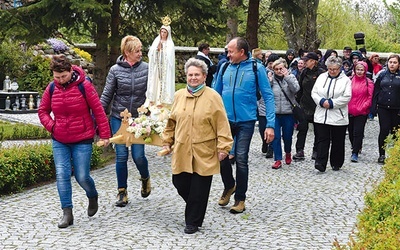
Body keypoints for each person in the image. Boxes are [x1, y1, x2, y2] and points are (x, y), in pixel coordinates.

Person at [38, 55, 111, 228]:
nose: (60, 80)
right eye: (57, 77)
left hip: (82, 138)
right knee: (62, 174)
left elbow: (98, 110)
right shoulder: (52, 88)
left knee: (82, 176)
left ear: (71, 71)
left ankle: (92, 195)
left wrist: (105, 134)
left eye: (63, 76)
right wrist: (53, 127)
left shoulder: (84, 86)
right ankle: (67, 213)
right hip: (60, 139)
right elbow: (42, 111)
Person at [162, 58, 233, 234]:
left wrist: (224, 147)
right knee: (179, 181)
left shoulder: (213, 97)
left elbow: (222, 123)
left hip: (204, 151)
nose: (193, 78)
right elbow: (171, 122)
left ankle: (192, 222)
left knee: (199, 188)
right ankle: (196, 206)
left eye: (197, 75)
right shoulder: (179, 95)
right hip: (182, 149)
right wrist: (167, 140)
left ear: (204, 76)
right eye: (190, 75)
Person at [214, 37, 275, 213]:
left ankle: (240, 198)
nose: (228, 54)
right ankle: (229, 185)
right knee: (221, 155)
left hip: (246, 121)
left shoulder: (257, 68)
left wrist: (270, 124)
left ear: (242, 52)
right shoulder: (224, 67)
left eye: (231, 51)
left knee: (241, 158)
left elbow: (268, 96)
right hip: (225, 120)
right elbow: (215, 94)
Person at [100, 35, 151, 207]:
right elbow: (107, 95)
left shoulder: (147, 69)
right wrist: (98, 117)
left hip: (139, 118)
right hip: (119, 117)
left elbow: (152, 94)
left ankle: (145, 178)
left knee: (138, 156)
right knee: (121, 155)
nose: (140, 53)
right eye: (137, 51)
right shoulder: (115, 70)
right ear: (127, 52)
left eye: (140, 50)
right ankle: (122, 192)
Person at [312, 56, 351, 172]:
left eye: (334, 69)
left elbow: (347, 97)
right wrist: (321, 101)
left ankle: (336, 162)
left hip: (338, 115)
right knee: (322, 139)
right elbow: (314, 92)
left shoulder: (346, 80)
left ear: (339, 68)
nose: (332, 71)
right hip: (321, 114)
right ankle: (320, 162)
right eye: (330, 69)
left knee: (337, 140)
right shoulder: (321, 77)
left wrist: (332, 103)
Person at [293, 52, 325, 161]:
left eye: (307, 60)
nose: (305, 62)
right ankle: (299, 150)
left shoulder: (322, 73)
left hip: (317, 105)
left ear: (313, 61)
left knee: (318, 130)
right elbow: (299, 88)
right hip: (304, 104)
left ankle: (316, 151)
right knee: (302, 128)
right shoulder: (304, 73)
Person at [268, 58, 300, 169]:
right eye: (276, 69)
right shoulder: (271, 79)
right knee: (275, 136)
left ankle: (288, 152)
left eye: (280, 68)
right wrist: (270, 81)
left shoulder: (291, 77)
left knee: (287, 136)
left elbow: (296, 89)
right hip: (275, 113)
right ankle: (277, 159)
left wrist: (287, 78)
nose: (278, 71)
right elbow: (266, 94)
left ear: (285, 68)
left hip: (288, 112)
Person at [371, 54, 400, 164]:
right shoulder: (382, 75)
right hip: (383, 108)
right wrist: (373, 108)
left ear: (398, 64)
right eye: (390, 62)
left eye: (395, 62)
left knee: (395, 132)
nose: (392, 64)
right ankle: (382, 154)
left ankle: (394, 155)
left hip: (396, 108)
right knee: (384, 130)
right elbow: (376, 92)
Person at [348, 61, 374, 162]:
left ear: (365, 71)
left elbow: (370, 97)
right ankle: (355, 146)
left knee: (358, 132)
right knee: (350, 131)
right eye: (358, 69)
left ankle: (355, 152)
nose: (359, 71)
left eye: (361, 70)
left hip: (362, 111)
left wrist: (363, 107)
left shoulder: (369, 82)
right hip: (349, 110)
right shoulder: (349, 80)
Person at [146, 18, 175, 107]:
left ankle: (164, 101)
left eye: (164, 32)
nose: (162, 34)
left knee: (164, 83)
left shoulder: (170, 44)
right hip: (156, 68)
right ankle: (153, 100)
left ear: (168, 33)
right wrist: (157, 50)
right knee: (155, 82)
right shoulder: (156, 41)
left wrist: (163, 50)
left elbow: (170, 58)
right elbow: (150, 53)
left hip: (165, 69)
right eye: (161, 32)